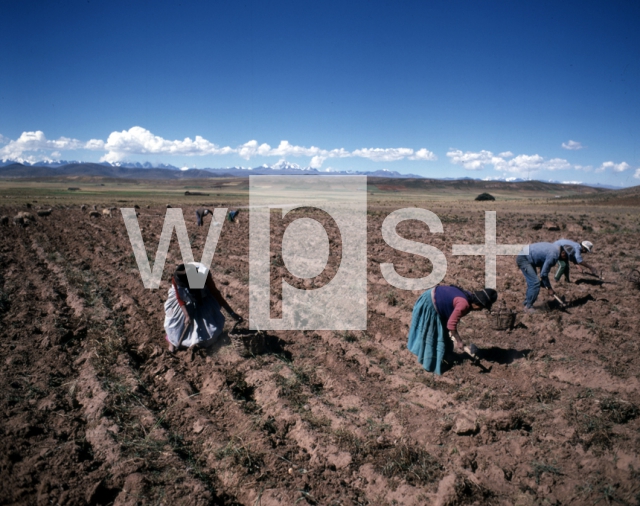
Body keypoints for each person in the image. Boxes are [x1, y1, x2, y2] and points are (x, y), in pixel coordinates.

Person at [407, 285, 497, 375]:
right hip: (430, 303)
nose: (480, 310)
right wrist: (459, 341)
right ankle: (430, 364)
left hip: (434, 297)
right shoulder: (464, 304)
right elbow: (451, 325)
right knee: (434, 334)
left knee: (443, 333)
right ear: (478, 304)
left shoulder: (468, 296)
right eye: (482, 307)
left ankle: (445, 355)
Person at [164, 262, 242, 352]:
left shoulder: (204, 276)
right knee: (173, 320)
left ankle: (199, 341)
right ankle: (172, 341)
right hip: (183, 298)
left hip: (202, 295)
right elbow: (179, 298)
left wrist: (232, 313)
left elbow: (216, 295)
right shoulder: (177, 277)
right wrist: (187, 315)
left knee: (207, 325)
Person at [516, 242, 572, 313]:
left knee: (533, 282)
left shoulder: (556, 249)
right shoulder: (554, 255)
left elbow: (543, 264)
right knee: (535, 283)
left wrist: (544, 282)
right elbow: (543, 274)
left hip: (527, 255)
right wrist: (549, 288)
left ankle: (527, 302)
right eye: (566, 258)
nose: (565, 260)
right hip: (524, 258)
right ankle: (528, 307)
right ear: (563, 253)